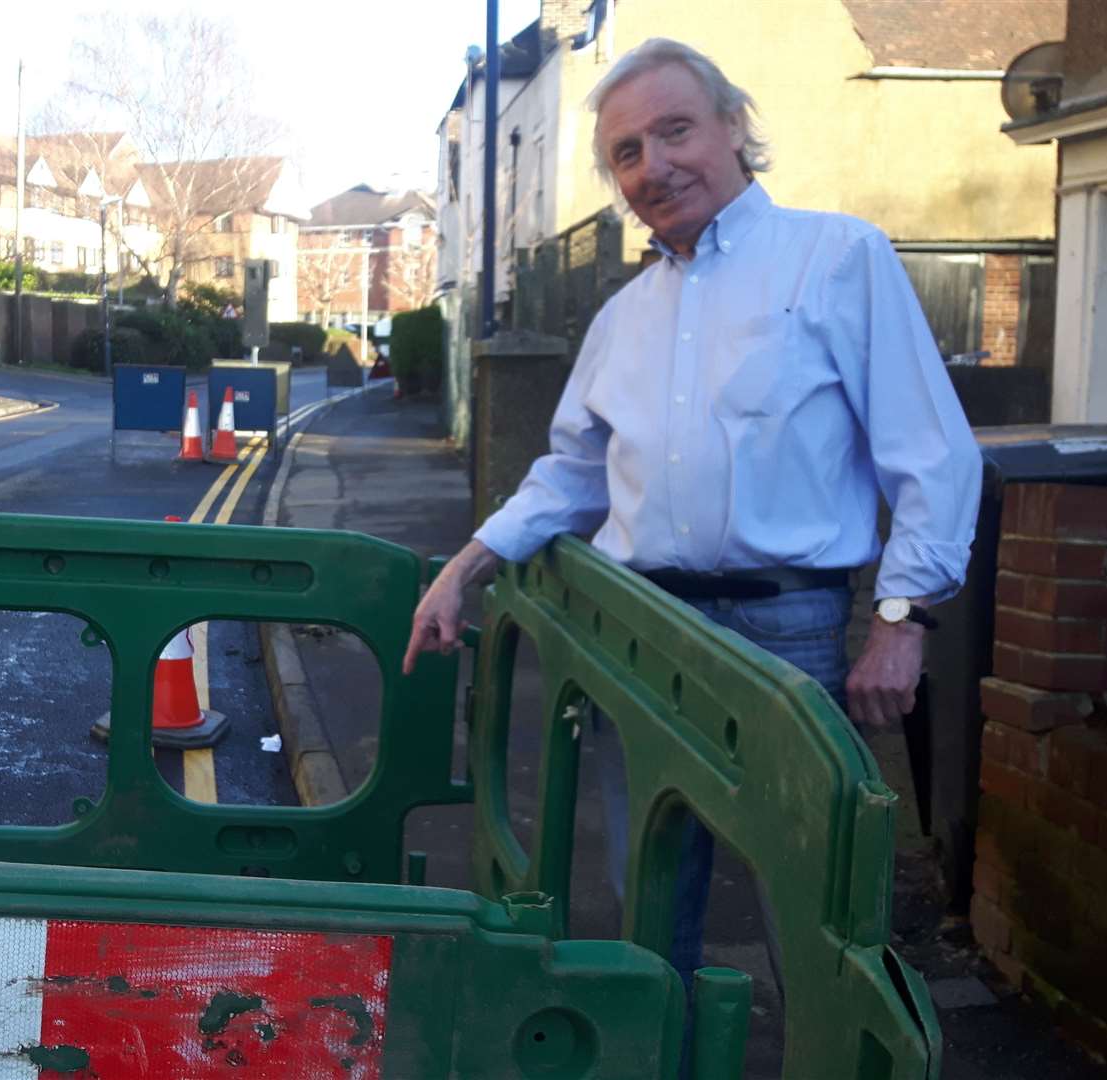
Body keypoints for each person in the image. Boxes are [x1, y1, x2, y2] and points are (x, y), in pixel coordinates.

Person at [402, 38, 982, 988]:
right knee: (650, 901)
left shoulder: (836, 257)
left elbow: (932, 454)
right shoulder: (621, 318)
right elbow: (570, 473)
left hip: (785, 635)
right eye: (627, 151)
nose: (653, 164)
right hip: (649, 640)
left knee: (812, 915)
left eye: (675, 130)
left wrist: (901, 618)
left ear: (735, 129)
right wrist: (466, 564)